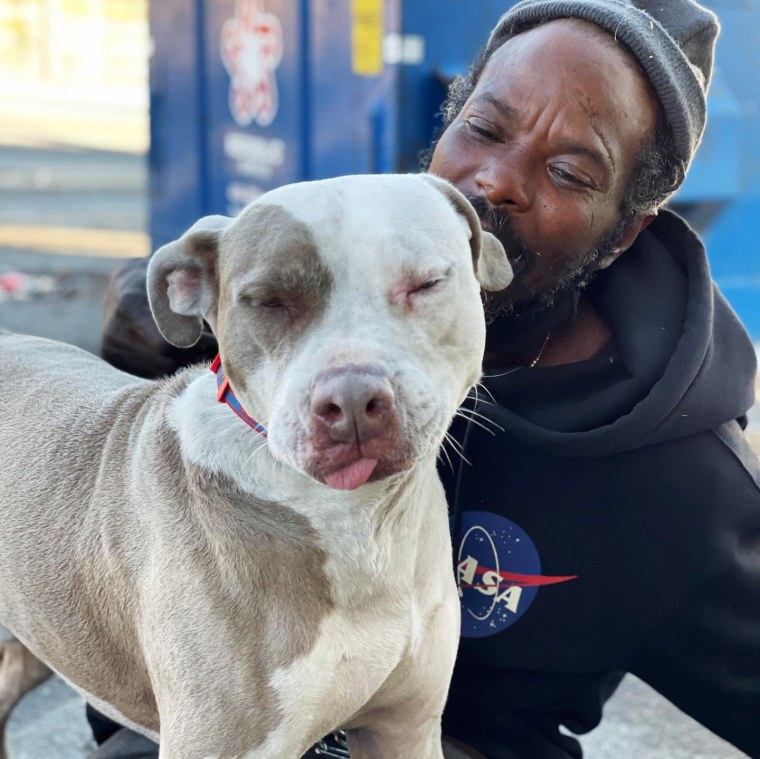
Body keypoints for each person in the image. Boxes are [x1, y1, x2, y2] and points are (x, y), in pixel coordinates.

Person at [2, 1, 759, 757]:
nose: (497, 179)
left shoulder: (687, 488)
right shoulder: (297, 255)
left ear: (626, 226)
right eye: (484, 129)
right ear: (448, 123)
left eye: (568, 170)